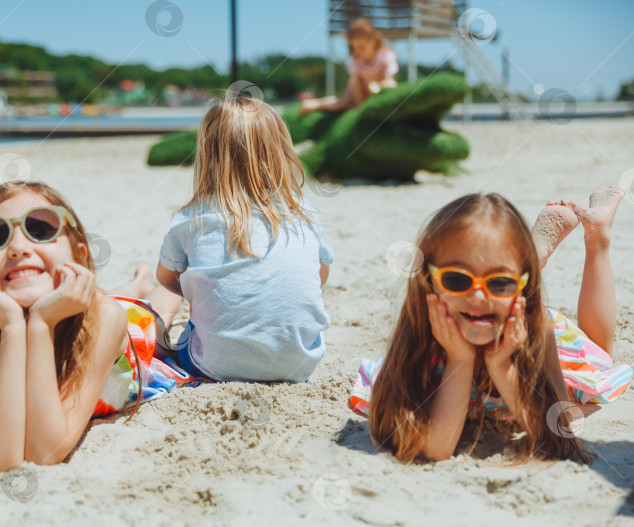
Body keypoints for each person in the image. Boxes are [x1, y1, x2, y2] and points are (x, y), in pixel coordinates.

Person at [350, 188, 632, 463]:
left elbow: (556, 439)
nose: (478, 296)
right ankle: (524, 262)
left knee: (601, 360)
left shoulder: (539, 331)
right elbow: (435, 450)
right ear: (428, 281)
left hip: (521, 325)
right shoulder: (422, 335)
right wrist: (460, 359)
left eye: (499, 281)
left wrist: (502, 365)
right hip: (500, 307)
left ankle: (597, 240)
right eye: (457, 279)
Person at [0, 180, 188, 471]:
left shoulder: (103, 318)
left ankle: (143, 282)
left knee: (156, 309)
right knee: (113, 298)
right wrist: (10, 326)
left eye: (40, 231)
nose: (18, 247)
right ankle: (134, 284)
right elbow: (1, 458)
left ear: (79, 255)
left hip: (125, 335)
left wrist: (41, 324)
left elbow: (45, 452)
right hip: (80, 302)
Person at [156, 97, 334, 382]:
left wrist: (205, 291)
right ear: (280, 152)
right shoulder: (302, 214)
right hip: (298, 364)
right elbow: (320, 275)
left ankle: (156, 337)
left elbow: (166, 278)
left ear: (207, 156)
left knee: (163, 295)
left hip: (214, 367)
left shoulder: (193, 218)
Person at [300, 17, 398, 115]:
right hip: (357, 91)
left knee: (391, 85)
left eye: (361, 47)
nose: (358, 51)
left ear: (374, 40)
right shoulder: (357, 60)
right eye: (354, 48)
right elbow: (356, 82)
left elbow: (389, 79)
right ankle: (314, 104)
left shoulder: (386, 54)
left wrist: (383, 86)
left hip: (377, 90)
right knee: (340, 104)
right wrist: (359, 105)